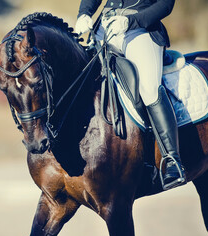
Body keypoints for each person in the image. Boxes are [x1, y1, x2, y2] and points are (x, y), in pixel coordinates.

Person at [74, 0, 186, 190]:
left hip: (141, 29)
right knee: (79, 75)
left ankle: (172, 159)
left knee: (149, 89)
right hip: (105, 28)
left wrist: (130, 21)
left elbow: (165, 5)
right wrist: (84, 13)